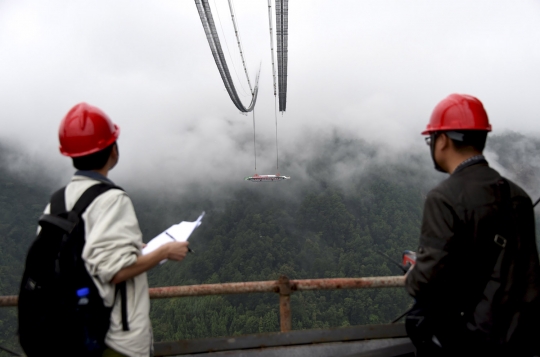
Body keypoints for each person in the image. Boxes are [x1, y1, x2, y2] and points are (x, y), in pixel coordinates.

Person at [405, 94, 540, 356]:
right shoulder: (518, 196)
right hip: (519, 340)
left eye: (430, 139)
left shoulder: (444, 197)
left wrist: (411, 277)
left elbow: (426, 279)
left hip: (469, 342)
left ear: (442, 140)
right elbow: (531, 278)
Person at [54, 102, 189, 357]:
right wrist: (164, 252)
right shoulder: (112, 199)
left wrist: (134, 248)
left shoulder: (58, 200)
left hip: (69, 330)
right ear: (112, 150)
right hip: (112, 337)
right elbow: (114, 272)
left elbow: (75, 252)